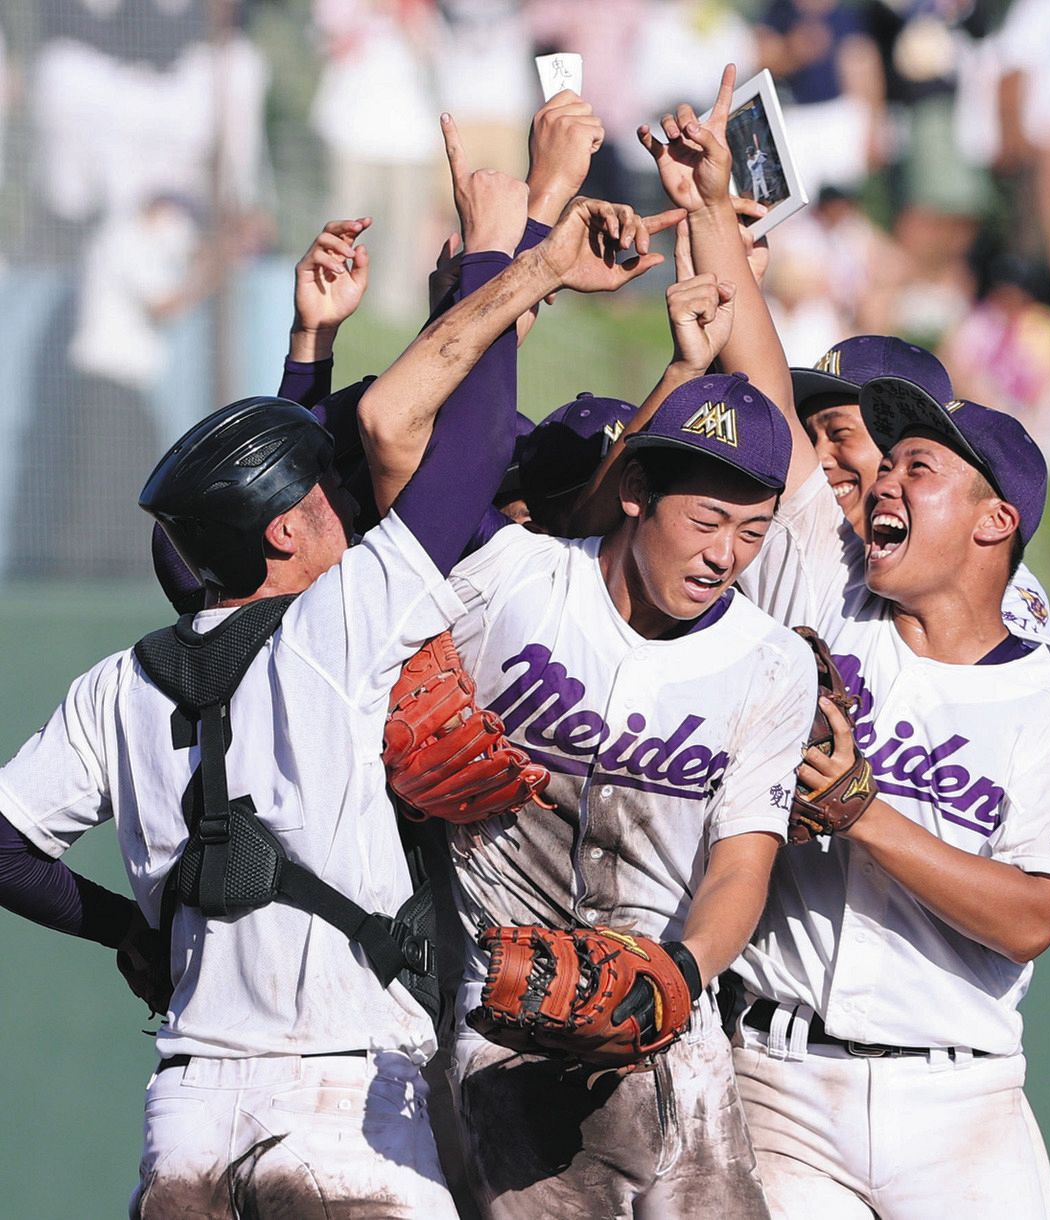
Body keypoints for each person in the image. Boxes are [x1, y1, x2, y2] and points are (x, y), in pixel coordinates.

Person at [0, 108, 670, 1213]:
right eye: (315, 496)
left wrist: (131, 926)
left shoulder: (117, 683)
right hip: (343, 1112)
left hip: (187, 1124)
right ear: (278, 534)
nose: (336, 503)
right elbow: (456, 448)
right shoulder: (338, 629)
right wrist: (520, 248)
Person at [634, 63, 1050, 1217]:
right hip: (781, 1076)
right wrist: (708, 210)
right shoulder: (836, 580)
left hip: (959, 1098)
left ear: (994, 520)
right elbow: (759, 375)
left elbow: (1034, 912)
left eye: (915, 465)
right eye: (877, 458)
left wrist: (863, 814)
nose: (876, 479)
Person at [440, 267, 818, 1213]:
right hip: (504, 1021)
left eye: (754, 530)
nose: (726, 555)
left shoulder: (771, 661)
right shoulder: (511, 585)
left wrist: (679, 974)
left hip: (672, 1030)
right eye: (708, 519)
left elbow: (743, 862)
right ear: (638, 490)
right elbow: (419, 454)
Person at [788, 333, 1050, 663]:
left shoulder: (1006, 601)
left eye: (840, 434)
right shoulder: (801, 538)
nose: (817, 456)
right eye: (809, 436)